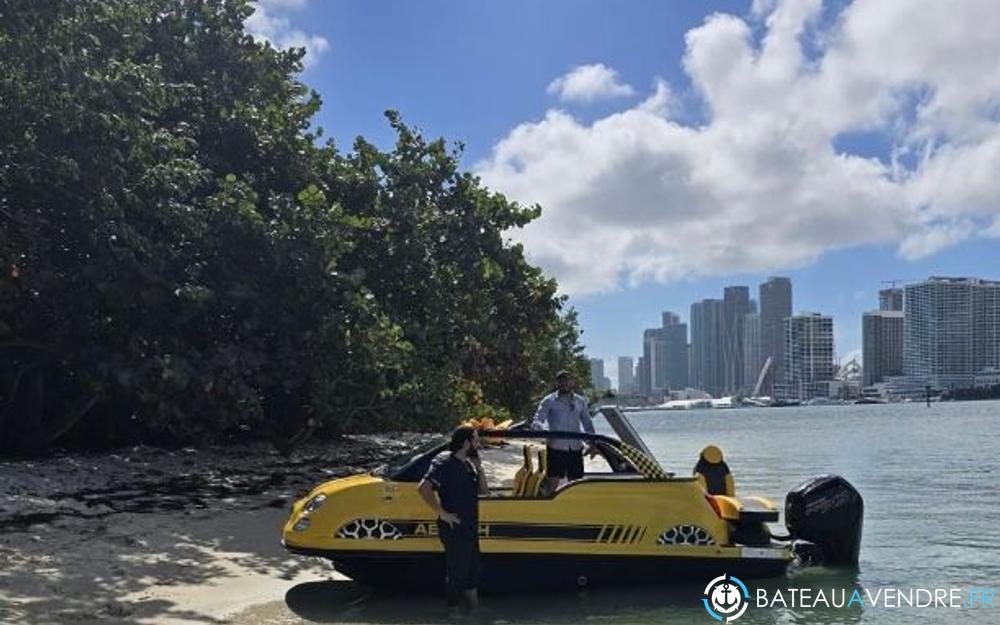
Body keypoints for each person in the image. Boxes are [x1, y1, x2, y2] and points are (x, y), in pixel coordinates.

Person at [417, 426, 488, 608]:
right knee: (457, 574)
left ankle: (474, 611)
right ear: (466, 443)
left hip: (470, 527)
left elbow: (484, 491)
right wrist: (442, 513)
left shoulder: (469, 464)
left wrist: (480, 469)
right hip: (454, 528)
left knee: (472, 572)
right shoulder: (444, 463)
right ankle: (452, 614)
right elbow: (424, 488)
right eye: (476, 440)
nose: (478, 444)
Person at [530, 370, 596, 495]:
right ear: (557, 383)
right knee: (553, 483)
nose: (564, 383)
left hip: (575, 449)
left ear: (572, 382)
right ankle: (547, 509)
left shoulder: (580, 401)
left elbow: (587, 423)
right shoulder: (549, 400)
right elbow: (538, 420)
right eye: (561, 380)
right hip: (556, 448)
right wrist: (544, 432)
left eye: (567, 380)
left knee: (576, 485)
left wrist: (592, 444)